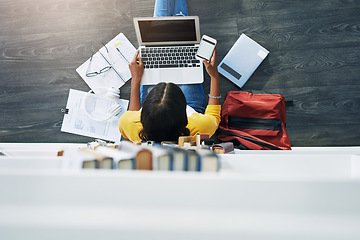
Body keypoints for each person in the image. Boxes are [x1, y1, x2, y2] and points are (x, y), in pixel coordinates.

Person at [119, 0, 221, 142]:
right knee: (181, 34)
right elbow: (214, 116)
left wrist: (135, 79)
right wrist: (214, 76)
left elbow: (133, 113)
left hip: (164, 111)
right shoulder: (200, 125)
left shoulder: (127, 124)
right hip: (191, 104)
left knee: (158, 32)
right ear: (185, 118)